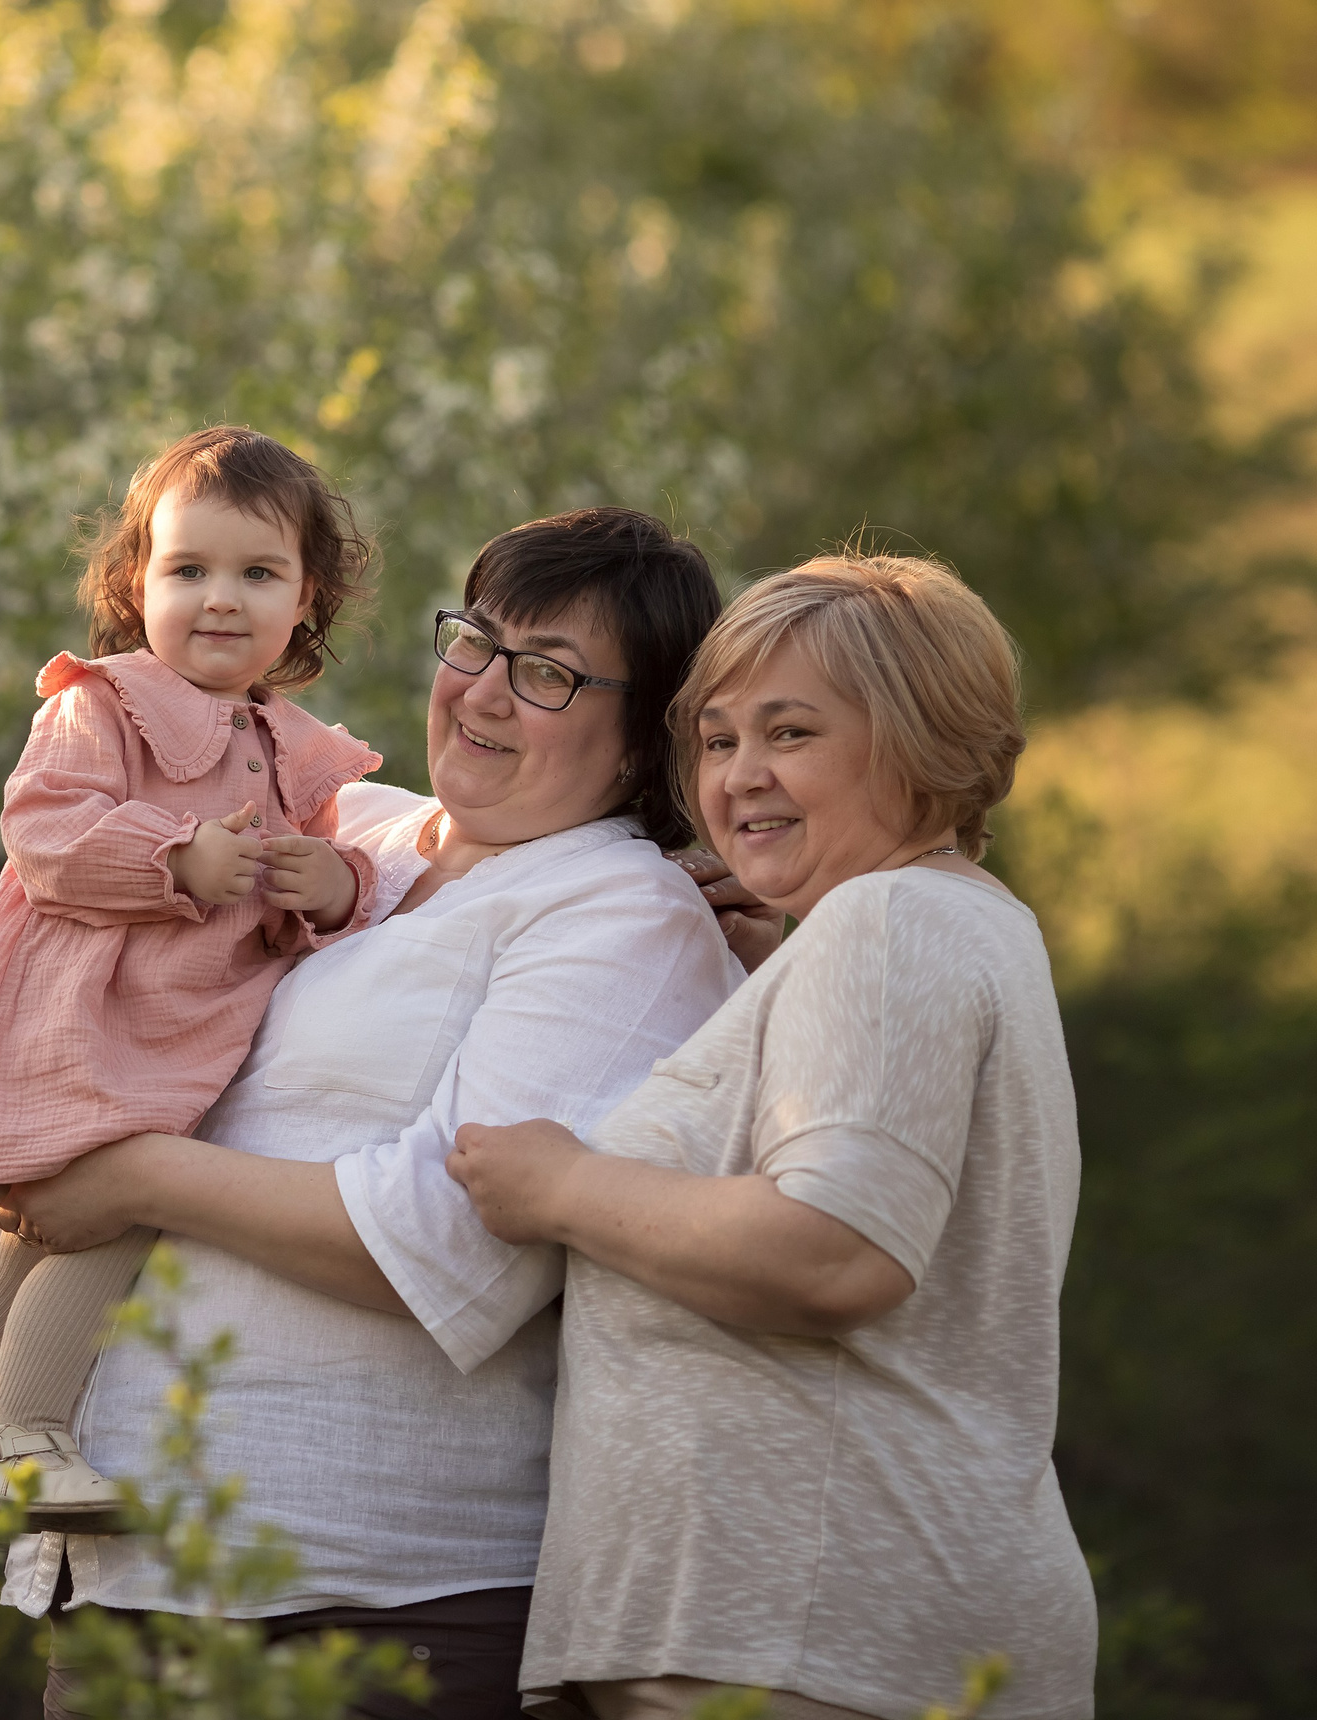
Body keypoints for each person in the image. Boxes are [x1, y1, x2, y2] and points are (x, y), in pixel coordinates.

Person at [0, 507, 737, 1720]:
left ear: (640, 738)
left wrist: (132, 1176)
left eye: (545, 674)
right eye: (475, 642)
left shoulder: (620, 915)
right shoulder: (355, 833)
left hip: (373, 1605)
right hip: (142, 1581)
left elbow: (445, 1248)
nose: (484, 694)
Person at [450, 554, 1097, 1720]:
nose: (739, 776)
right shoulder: (942, 927)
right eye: (716, 738)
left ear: (917, 741)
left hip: (812, 1641)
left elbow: (833, 1250)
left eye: (789, 734)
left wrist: (563, 1185)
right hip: (821, 1638)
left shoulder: (888, 920)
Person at [0, 427, 386, 1532]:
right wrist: (173, 855)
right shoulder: (98, 703)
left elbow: (322, 906)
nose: (219, 598)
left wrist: (328, 882)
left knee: (47, 1240)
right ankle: (16, 1437)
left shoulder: (294, 749)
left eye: (258, 573)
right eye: (186, 569)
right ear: (133, 582)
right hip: (80, 1019)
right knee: (116, 1217)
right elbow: (43, 831)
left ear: (307, 600)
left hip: (173, 1037)